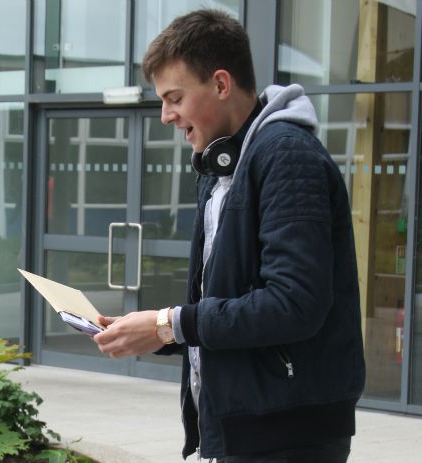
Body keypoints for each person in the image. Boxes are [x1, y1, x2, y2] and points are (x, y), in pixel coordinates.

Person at [93, 8, 366, 463]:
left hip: (286, 434)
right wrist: (155, 332)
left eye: (174, 98)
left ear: (221, 84)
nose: (165, 115)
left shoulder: (287, 158)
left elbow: (293, 304)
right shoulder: (223, 167)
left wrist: (169, 323)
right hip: (244, 427)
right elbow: (230, 300)